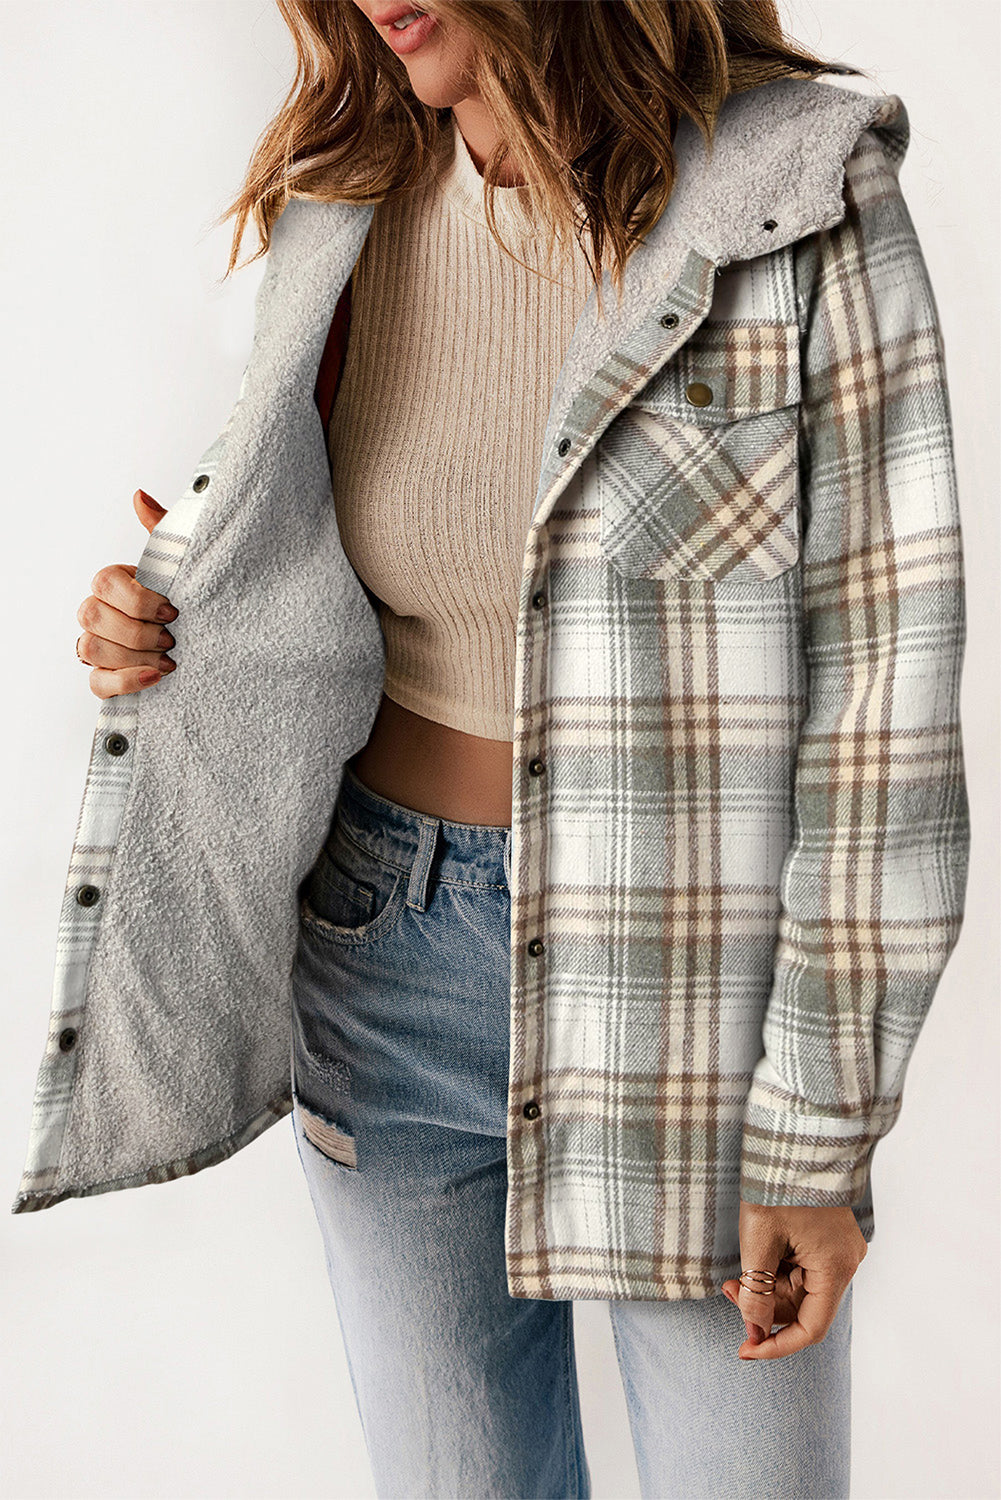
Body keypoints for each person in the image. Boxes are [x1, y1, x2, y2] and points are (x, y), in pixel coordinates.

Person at [16, 3, 969, 1497]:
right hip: (380, 957)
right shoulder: (346, 205)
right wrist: (166, 626)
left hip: (690, 1002)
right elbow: (311, 585)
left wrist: (818, 1132)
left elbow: (883, 703)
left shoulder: (793, 194)